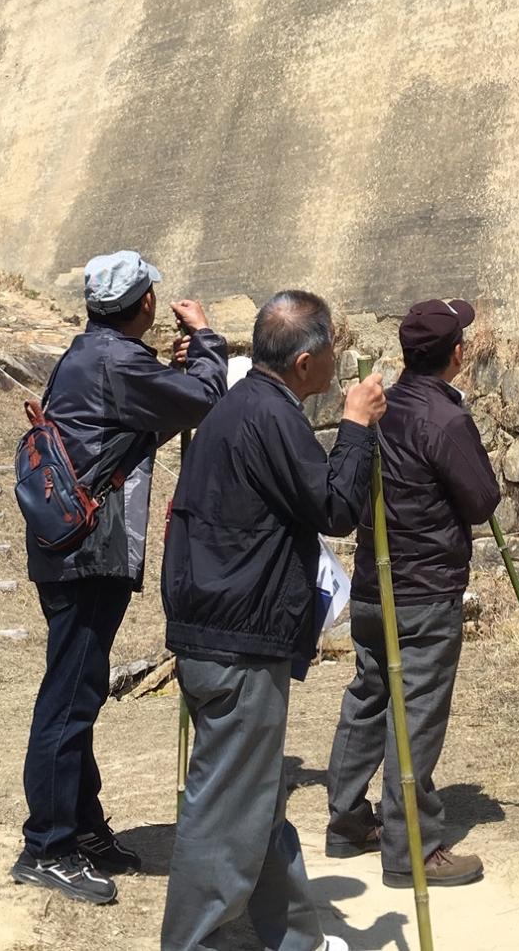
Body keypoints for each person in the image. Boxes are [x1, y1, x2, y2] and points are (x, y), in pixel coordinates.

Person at [160, 290, 385, 951]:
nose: (340, 365)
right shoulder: (270, 415)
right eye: (335, 355)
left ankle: (288, 936)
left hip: (221, 631)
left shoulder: (239, 407)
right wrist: (356, 427)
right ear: (308, 363)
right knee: (225, 815)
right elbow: (336, 506)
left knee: (254, 801)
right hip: (237, 645)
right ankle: (197, 942)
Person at [13, 250, 228, 906]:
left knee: (77, 693)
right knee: (68, 700)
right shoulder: (117, 362)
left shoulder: (92, 355)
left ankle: (80, 827)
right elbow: (203, 398)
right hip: (84, 554)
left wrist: (181, 361)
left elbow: (157, 412)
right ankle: (45, 847)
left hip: (69, 546)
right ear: (146, 305)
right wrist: (208, 338)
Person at [324, 298, 499, 888]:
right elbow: (480, 500)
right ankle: (412, 849)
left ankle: (347, 821)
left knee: (369, 698)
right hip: (424, 591)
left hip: (373, 586)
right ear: (455, 354)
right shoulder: (443, 418)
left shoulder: (376, 407)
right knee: (416, 715)